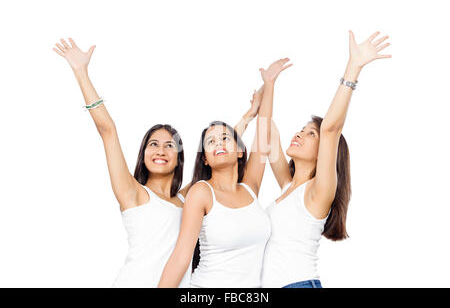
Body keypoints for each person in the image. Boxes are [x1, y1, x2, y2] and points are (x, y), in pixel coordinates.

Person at [53, 38, 191, 287]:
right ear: (144, 153)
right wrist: (81, 72)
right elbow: (108, 131)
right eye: (153, 144)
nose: (160, 150)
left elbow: (215, 158)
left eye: (169, 145)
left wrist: (248, 117)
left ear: (179, 158)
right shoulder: (134, 194)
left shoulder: (185, 199)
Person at [261, 31, 391, 288]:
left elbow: (331, 129)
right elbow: (266, 135)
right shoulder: (288, 187)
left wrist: (353, 67)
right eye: (302, 129)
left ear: (324, 154)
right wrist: (270, 84)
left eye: (311, 134)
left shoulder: (318, 193)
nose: (299, 133)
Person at [158, 59, 293, 288]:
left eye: (225, 138)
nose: (218, 143)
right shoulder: (201, 192)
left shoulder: (250, 188)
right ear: (205, 158)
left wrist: (269, 84)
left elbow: (264, 128)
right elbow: (181, 257)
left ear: (240, 151)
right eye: (210, 141)